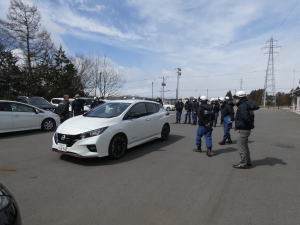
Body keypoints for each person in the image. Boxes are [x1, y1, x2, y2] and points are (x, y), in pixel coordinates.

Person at [233, 91, 255, 169]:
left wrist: (251, 125)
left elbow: (245, 118)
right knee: (245, 147)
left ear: (240, 98)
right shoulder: (247, 104)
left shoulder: (242, 106)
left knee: (242, 148)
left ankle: (243, 163)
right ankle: (247, 162)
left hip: (242, 129)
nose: (236, 99)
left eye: (236, 98)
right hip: (246, 129)